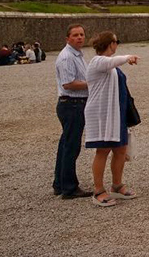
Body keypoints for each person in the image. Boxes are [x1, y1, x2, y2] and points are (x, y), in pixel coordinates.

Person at [84, 31, 140, 206]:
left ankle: (117, 185)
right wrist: (128, 57)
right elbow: (109, 61)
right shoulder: (98, 61)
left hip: (116, 114)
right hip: (102, 114)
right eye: (116, 41)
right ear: (111, 44)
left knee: (121, 149)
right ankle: (98, 190)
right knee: (103, 150)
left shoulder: (110, 65)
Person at [53, 24, 92, 199]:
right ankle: (69, 187)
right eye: (75, 35)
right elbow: (68, 84)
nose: (79, 38)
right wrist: (93, 83)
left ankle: (60, 183)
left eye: (82, 34)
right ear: (67, 38)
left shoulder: (77, 55)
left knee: (66, 145)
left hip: (74, 104)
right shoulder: (67, 57)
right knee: (71, 146)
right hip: (72, 104)